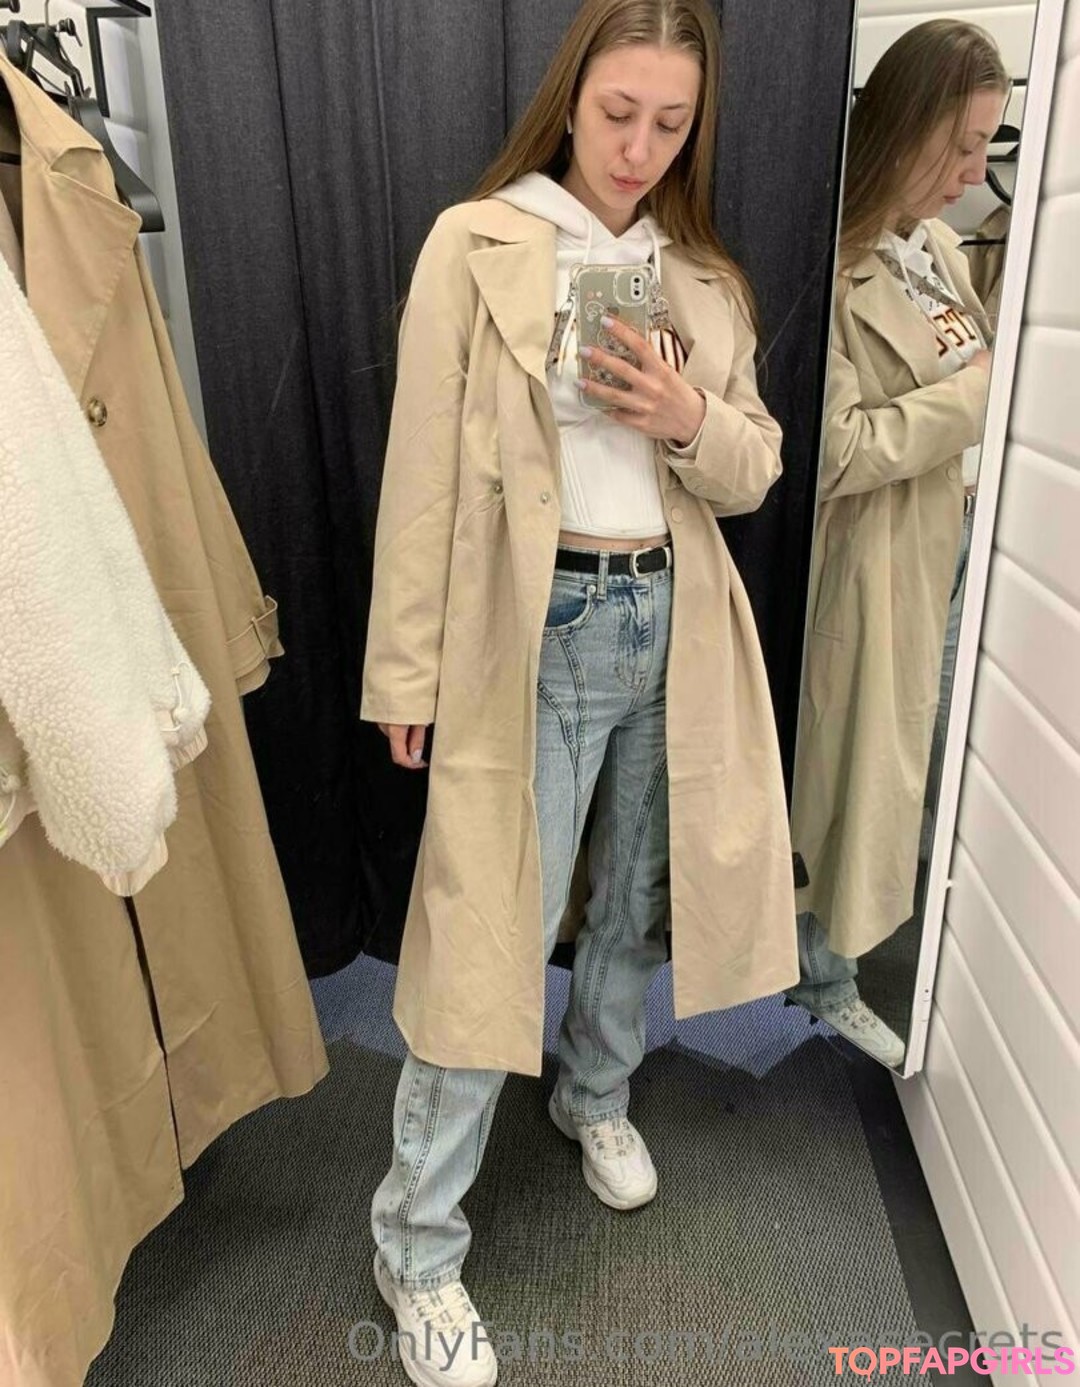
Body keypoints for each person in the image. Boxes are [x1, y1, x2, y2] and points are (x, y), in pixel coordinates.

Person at [360, 2, 798, 1381]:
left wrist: (687, 417)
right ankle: (416, 1242)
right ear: (570, 98)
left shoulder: (701, 277)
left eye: (670, 122)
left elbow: (757, 467)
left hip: (675, 617)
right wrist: (406, 666)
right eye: (618, 113)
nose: (638, 148)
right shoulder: (478, 242)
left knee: (634, 897)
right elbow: (421, 471)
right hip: (531, 626)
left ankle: (594, 1091)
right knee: (484, 927)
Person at [787, 19, 1008, 1068]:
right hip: (873, 562)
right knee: (850, 784)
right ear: (906, 126)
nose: (972, 173)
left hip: (956, 552)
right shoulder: (828, 264)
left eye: (985, 149)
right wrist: (972, 402)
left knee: (917, 775)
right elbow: (833, 451)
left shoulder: (941, 252)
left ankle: (842, 971)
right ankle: (818, 976)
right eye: (960, 146)